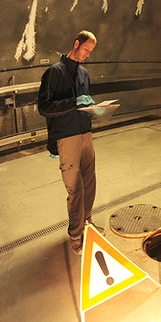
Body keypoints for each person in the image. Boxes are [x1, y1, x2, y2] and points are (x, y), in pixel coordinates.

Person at [38, 30, 103, 255]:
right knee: (75, 189)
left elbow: (82, 105)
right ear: (76, 44)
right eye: (86, 49)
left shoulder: (84, 73)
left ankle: (88, 222)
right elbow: (44, 107)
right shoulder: (54, 72)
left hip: (85, 133)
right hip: (67, 138)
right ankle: (76, 234)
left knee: (90, 183)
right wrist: (74, 102)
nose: (87, 55)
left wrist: (94, 109)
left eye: (90, 52)